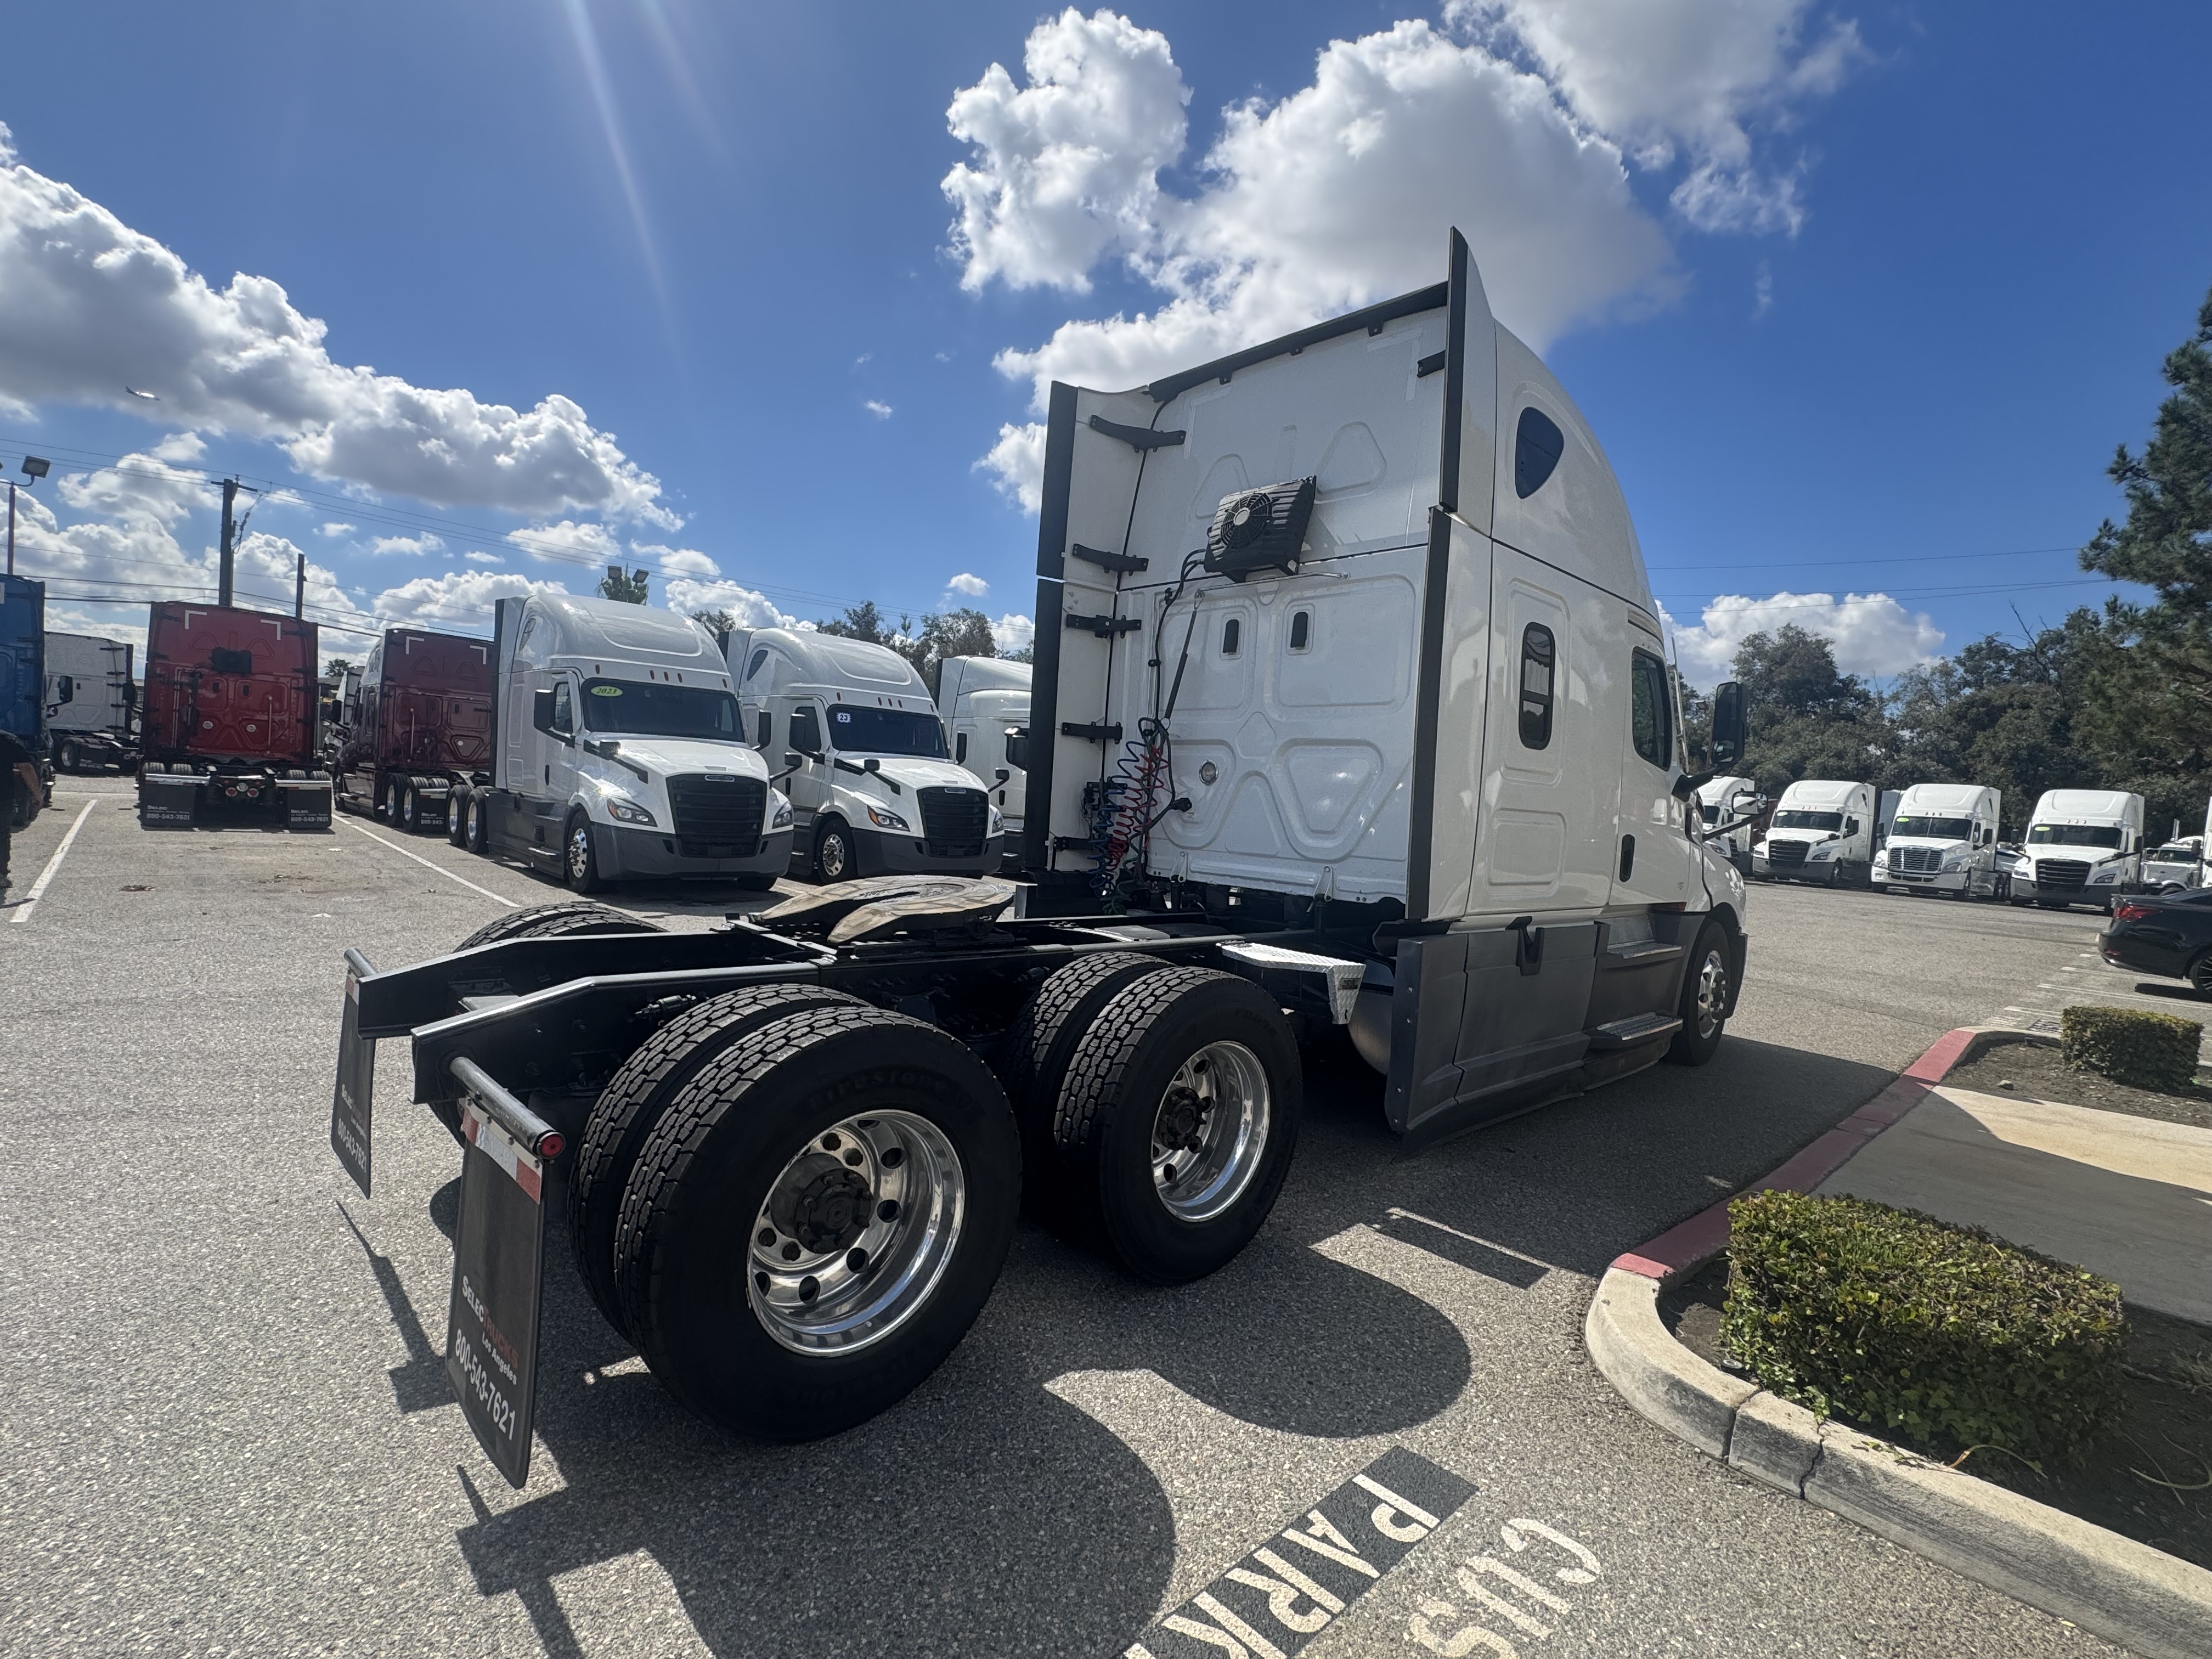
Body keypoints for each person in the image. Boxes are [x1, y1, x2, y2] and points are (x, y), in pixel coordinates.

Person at [0, 726, 40, 894]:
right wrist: (37, 794)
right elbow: (26, 768)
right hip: (2, 797)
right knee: (1, 835)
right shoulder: (8, 740)